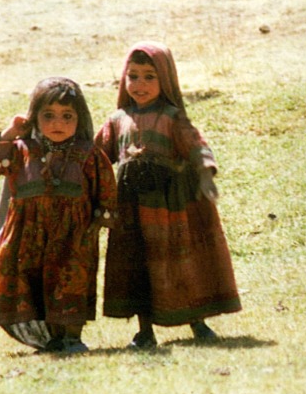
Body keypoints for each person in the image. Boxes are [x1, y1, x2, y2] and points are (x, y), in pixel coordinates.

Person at [95, 41, 241, 348]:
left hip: (169, 208)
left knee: (177, 263)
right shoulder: (117, 119)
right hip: (131, 210)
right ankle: (144, 331)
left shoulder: (172, 117)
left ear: (166, 78)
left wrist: (205, 175)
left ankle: (196, 322)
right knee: (138, 266)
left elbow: (196, 146)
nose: (139, 84)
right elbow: (95, 157)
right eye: (132, 76)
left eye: (150, 76)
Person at [0, 77, 117, 354]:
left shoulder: (88, 154)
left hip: (73, 236)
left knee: (69, 283)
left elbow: (105, 186)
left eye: (67, 116)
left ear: (80, 119)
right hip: (26, 236)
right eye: (49, 116)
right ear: (35, 117)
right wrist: (10, 133)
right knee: (31, 283)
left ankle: (71, 336)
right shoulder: (22, 150)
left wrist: (100, 220)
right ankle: (47, 338)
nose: (58, 123)